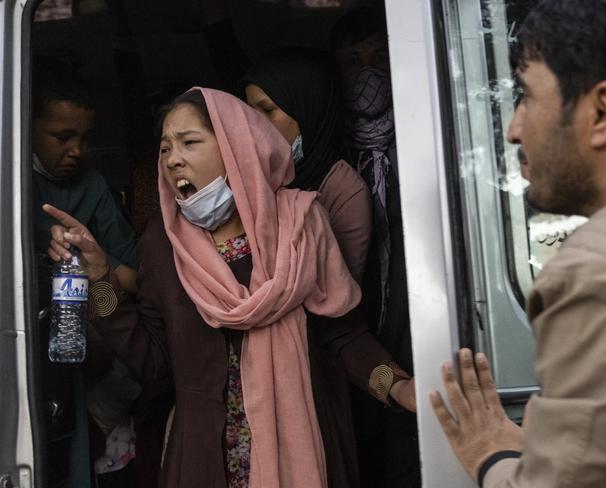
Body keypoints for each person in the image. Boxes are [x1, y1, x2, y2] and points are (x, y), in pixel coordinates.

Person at [43, 88, 416, 488]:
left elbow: (343, 335)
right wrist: (101, 278)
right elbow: (153, 361)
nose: (173, 159)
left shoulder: (301, 226)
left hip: (305, 444)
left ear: (237, 148)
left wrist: (397, 387)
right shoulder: (163, 244)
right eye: (165, 148)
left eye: (189, 143)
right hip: (205, 458)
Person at [430, 1, 606, 487]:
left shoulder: (600, 272)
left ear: (601, 110)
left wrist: (491, 455)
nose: (513, 129)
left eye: (526, 98)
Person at [31, 58, 139, 487]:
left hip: (73, 356)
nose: (77, 150)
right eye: (62, 137)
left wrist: (98, 262)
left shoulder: (91, 186)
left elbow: (133, 275)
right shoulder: (10, 179)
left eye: (84, 138)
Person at [330, 8, 420, 488]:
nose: (367, 74)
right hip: (354, 342)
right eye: (353, 62)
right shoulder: (330, 160)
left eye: (379, 57)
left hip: (417, 334)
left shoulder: (429, 141)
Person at [243, 47, 372, 283]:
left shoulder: (344, 190)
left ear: (307, 108)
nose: (253, 123)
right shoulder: (248, 175)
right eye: (249, 111)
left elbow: (338, 285)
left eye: (268, 110)